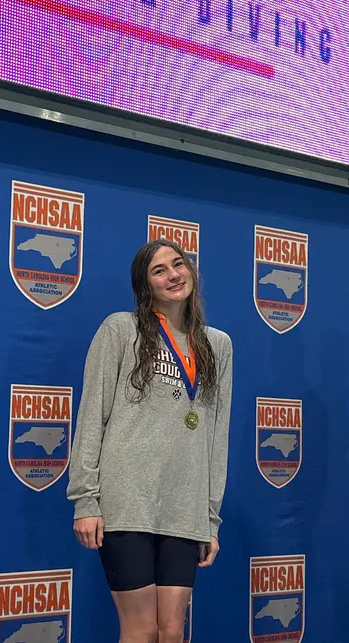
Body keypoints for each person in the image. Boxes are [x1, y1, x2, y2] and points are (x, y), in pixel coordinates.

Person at [66, 238, 234, 643]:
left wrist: (209, 519)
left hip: (184, 506)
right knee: (141, 630)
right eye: (160, 270)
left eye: (179, 264)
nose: (173, 275)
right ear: (145, 286)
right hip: (127, 502)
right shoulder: (120, 329)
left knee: (172, 631)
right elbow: (92, 415)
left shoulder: (218, 345)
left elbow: (216, 437)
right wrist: (86, 500)